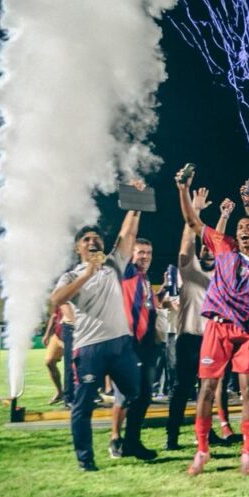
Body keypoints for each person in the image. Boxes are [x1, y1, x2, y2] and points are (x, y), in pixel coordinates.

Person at [176, 171, 249, 476]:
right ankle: (202, 450)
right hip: (217, 326)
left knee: (248, 390)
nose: (243, 230)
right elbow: (192, 222)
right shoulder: (223, 245)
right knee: (207, 388)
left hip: (247, 329)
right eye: (240, 227)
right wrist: (183, 189)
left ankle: (248, 451)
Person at [51, 197, 152, 471]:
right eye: (86, 239)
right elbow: (57, 299)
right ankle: (86, 460)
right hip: (89, 348)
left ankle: (130, 442)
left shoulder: (113, 266)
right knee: (83, 406)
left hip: (121, 345)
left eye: (96, 238)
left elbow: (127, 235)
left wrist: (135, 205)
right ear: (78, 248)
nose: (92, 241)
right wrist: (88, 273)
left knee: (139, 394)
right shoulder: (71, 276)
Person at [164, 189, 222, 450]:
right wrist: (195, 210)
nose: (208, 252)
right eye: (205, 248)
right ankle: (172, 436)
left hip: (212, 340)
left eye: (212, 249)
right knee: (182, 388)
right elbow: (187, 242)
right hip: (189, 338)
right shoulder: (190, 269)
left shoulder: (221, 275)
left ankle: (206, 434)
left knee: (207, 389)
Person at [109, 236, 159, 459]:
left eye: (148, 253)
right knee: (125, 396)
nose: (145, 257)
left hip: (146, 345)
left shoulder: (145, 279)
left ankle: (132, 441)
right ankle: (115, 438)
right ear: (131, 255)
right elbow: (122, 243)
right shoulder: (127, 272)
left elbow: (148, 308)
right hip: (129, 343)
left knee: (144, 396)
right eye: (140, 252)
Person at [42, 304, 74, 405]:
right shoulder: (62, 298)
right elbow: (54, 316)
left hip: (71, 334)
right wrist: (47, 334)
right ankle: (60, 392)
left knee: (74, 367)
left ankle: (88, 393)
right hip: (57, 335)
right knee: (49, 362)